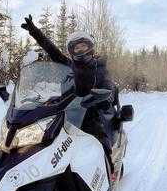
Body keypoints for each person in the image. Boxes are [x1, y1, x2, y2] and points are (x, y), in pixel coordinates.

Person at [21, 15, 120, 160]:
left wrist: (107, 94)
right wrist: (34, 31)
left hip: (92, 113)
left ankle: (108, 169)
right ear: (71, 51)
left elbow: (107, 83)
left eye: (83, 46)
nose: (80, 50)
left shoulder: (99, 66)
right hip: (68, 113)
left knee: (101, 143)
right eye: (76, 48)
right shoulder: (68, 66)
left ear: (90, 47)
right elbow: (51, 50)